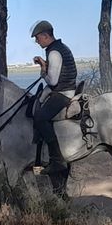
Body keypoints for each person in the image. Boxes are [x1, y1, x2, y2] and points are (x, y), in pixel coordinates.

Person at [30, 20, 77, 194]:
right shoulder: (58, 48)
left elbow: (53, 80)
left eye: (37, 38)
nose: (37, 42)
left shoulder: (55, 52)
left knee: (40, 117)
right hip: (65, 89)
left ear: (45, 35)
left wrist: (43, 70)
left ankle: (57, 159)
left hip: (63, 93)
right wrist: (44, 63)